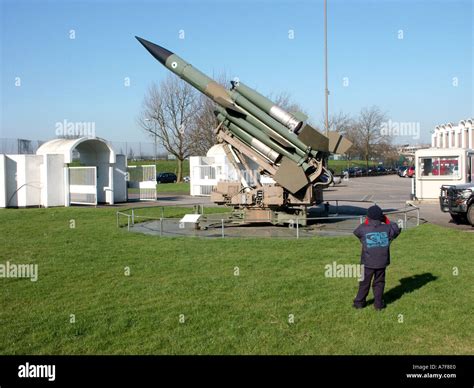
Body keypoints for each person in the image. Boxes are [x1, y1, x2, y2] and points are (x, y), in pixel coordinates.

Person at [353, 205, 401, 310]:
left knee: (364, 282)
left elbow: (356, 232)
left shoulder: (363, 228)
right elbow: (396, 229)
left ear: (368, 217)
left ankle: (359, 303)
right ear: (381, 217)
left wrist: (367, 222)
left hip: (367, 262)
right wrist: (386, 220)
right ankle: (378, 304)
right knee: (379, 283)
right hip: (382, 262)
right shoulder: (387, 228)